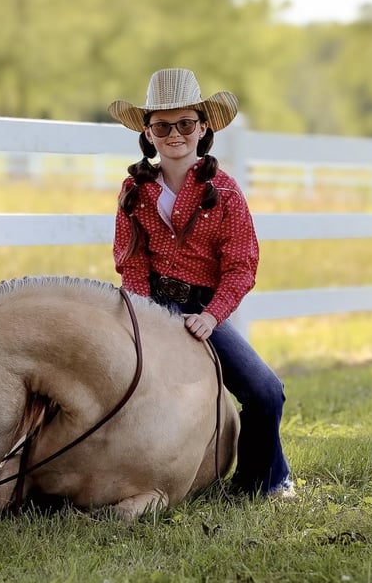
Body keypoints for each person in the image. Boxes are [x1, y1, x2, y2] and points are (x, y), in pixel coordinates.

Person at [108, 68, 293, 498]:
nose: (175, 134)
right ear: (148, 133)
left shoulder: (225, 192)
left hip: (203, 309)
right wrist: (141, 317)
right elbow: (132, 261)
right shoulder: (135, 191)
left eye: (185, 124)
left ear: (203, 128)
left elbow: (241, 267)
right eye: (162, 126)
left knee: (266, 392)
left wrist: (211, 317)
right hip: (149, 305)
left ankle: (258, 484)